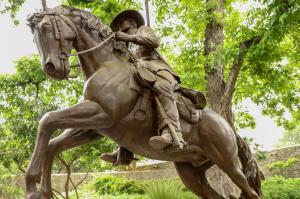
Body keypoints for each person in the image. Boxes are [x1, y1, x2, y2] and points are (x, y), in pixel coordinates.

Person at [101, 10, 184, 165]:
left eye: (122, 21)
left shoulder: (143, 30)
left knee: (161, 87)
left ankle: (172, 133)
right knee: (124, 97)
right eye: (117, 25)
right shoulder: (125, 45)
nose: (119, 25)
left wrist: (130, 37)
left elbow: (154, 42)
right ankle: (125, 148)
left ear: (132, 22)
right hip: (140, 74)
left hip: (157, 69)